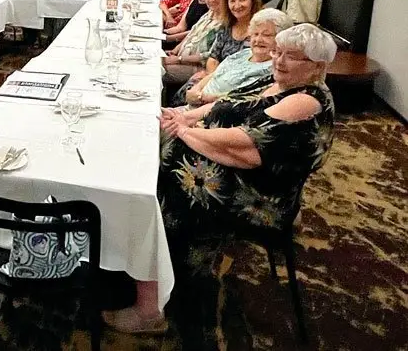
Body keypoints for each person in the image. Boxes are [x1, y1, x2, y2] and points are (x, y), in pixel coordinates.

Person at [104, 23, 336, 334]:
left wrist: (186, 133)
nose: (279, 60)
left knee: (156, 192)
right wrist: (186, 116)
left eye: (292, 56)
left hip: (257, 195)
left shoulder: (305, 101)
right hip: (234, 168)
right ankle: (125, 254)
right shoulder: (281, 80)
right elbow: (228, 101)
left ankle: (150, 309)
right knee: (145, 157)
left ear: (318, 67)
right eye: (278, 52)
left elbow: (244, 149)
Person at [181, 8, 293, 106]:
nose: (258, 40)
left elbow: (246, 99)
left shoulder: (274, 68)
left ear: (281, 39)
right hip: (194, 104)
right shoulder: (244, 53)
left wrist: (203, 98)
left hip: (210, 116)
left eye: (266, 35)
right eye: (255, 34)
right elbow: (215, 75)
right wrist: (195, 90)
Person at [163, 0, 231, 85]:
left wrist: (179, 59)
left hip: (199, 67)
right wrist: (174, 51)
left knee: (156, 71)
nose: (211, 0)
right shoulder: (209, 14)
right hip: (182, 58)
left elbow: (209, 55)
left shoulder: (226, 23)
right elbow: (192, 34)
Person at [204, 0, 263, 74]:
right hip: (216, 77)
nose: (237, 5)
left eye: (242, 0)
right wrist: (213, 79)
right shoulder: (226, 27)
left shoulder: (261, 30)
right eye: (232, 1)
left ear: (253, 1)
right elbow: (213, 59)